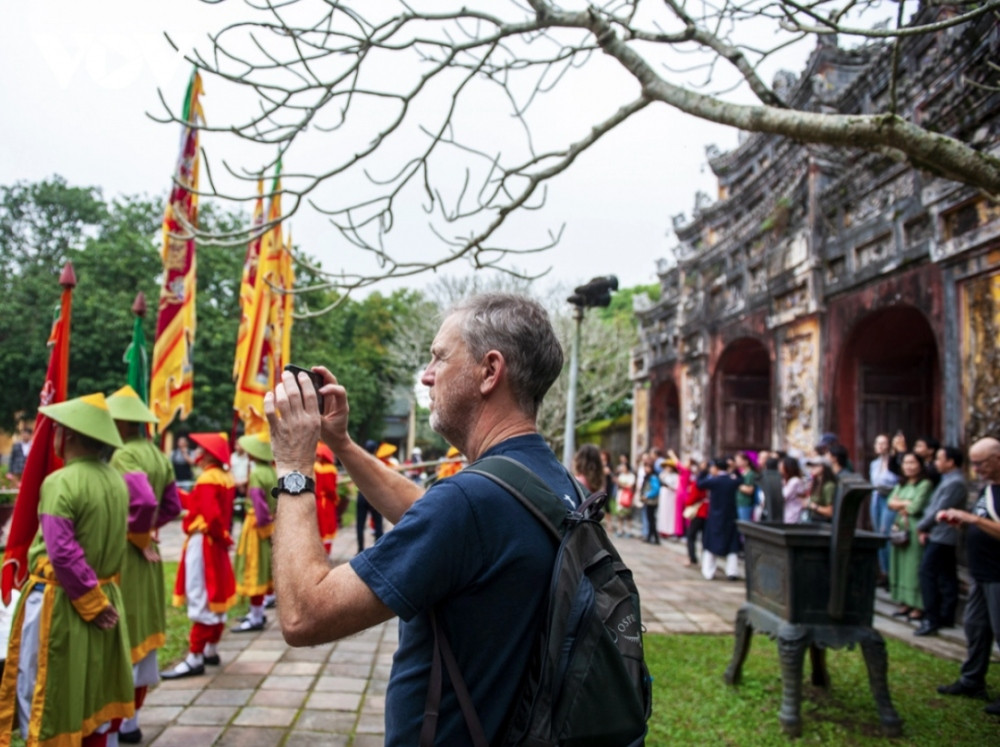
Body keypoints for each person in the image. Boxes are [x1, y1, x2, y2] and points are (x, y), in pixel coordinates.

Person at [264, 293, 581, 744]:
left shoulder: (470, 503)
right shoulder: (552, 482)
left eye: (439, 358)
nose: (427, 376)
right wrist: (344, 445)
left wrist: (293, 466)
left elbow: (304, 615)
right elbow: (430, 517)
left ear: (490, 372)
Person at [0, 393, 134, 746]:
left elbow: (60, 551)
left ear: (70, 436)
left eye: (58, 429)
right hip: (103, 595)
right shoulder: (114, 479)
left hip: (62, 603)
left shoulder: (61, 481)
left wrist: (89, 601)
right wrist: (97, 599)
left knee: (46, 695)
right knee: (90, 696)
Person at [106, 385, 183, 744]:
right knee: (142, 638)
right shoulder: (156, 454)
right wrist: (150, 530)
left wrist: (136, 535)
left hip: (127, 555)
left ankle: (119, 727)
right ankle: (132, 723)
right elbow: (171, 506)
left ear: (121, 423)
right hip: (146, 552)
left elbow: (143, 499)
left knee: (123, 638)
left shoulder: (122, 455)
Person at [162, 433, 237, 679]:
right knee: (216, 595)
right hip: (216, 543)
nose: (196, 453)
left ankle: (195, 657)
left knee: (200, 593)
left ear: (207, 455)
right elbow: (200, 504)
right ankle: (211, 650)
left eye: (199, 450)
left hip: (205, 542)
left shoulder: (207, 478)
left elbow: (210, 516)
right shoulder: (224, 477)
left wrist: (220, 536)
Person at [936, 437, 1000, 716]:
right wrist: (963, 523)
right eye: (973, 463)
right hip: (980, 572)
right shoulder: (988, 489)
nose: (976, 469)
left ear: (998, 458)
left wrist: (973, 520)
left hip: (998, 574)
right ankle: (972, 680)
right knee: (975, 627)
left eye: (981, 463)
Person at [913, 446, 968, 637]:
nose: (936, 463)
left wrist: (922, 526)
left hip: (944, 535)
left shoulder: (956, 483)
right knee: (946, 574)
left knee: (927, 573)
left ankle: (932, 617)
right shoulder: (948, 481)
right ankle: (945, 615)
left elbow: (939, 509)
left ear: (950, 462)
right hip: (938, 533)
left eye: (939, 459)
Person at [232, 433, 277, 633]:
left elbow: (259, 505)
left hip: (257, 528)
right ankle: (255, 612)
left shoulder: (258, 473)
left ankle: (256, 617)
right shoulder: (272, 471)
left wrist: (263, 526)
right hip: (272, 523)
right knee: (263, 568)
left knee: (254, 569)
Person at [886, 452, 934, 622]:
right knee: (899, 562)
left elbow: (916, 507)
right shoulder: (902, 483)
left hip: (915, 527)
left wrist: (902, 504)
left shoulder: (925, 484)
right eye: (905, 463)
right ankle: (904, 601)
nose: (908, 466)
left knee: (913, 565)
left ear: (920, 465)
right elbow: (890, 502)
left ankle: (917, 604)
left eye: (912, 463)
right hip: (900, 525)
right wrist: (904, 504)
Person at [697, 459, 741, 580]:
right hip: (730, 516)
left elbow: (700, 483)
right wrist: (735, 468)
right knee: (732, 545)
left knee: (711, 543)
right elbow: (740, 479)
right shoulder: (732, 481)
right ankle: (732, 571)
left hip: (715, 516)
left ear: (716, 468)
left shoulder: (714, 481)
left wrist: (702, 470)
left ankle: (708, 571)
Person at [869, 433, 900, 586]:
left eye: (883, 443)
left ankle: (892, 572)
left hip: (890, 497)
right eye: (878, 443)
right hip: (877, 497)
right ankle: (884, 572)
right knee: (878, 534)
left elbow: (898, 481)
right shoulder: (874, 464)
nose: (880, 446)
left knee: (886, 532)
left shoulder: (895, 462)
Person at [354, 440, 385, 554]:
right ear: (375, 450)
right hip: (375, 496)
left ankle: (360, 548)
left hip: (362, 494)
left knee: (360, 524)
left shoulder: (359, 463)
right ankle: (379, 550)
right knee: (378, 523)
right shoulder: (379, 463)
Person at [315, 443, 339, 554]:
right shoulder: (331, 469)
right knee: (327, 528)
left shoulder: (314, 466)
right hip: (327, 503)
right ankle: (325, 553)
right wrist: (336, 498)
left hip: (316, 501)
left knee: (318, 528)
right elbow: (331, 489)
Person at [639, 453, 661, 544]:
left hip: (652, 501)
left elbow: (656, 489)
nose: (646, 469)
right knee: (650, 520)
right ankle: (653, 537)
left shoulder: (653, 477)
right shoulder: (648, 477)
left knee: (651, 520)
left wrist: (647, 495)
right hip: (648, 501)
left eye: (648, 467)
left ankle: (652, 537)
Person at [779, 456, 807, 524]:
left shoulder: (794, 481)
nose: (779, 468)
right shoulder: (785, 480)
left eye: (781, 466)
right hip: (786, 512)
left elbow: (783, 496)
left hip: (793, 514)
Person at [656, 457, 679, 540]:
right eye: (666, 467)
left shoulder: (675, 476)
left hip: (671, 495)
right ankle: (662, 530)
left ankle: (669, 531)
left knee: (669, 513)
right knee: (662, 512)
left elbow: (676, 486)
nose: (667, 468)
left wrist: (669, 486)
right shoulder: (662, 474)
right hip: (663, 495)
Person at [614, 458, 637, 538]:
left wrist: (621, 483)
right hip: (620, 495)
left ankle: (629, 531)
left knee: (628, 514)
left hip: (628, 496)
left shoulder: (632, 476)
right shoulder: (621, 475)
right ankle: (620, 530)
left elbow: (630, 486)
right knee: (620, 514)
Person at [734, 452, 759, 526]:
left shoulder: (751, 474)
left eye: (738, 460)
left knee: (744, 525)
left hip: (745, 503)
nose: (737, 463)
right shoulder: (742, 472)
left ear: (746, 461)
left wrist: (736, 483)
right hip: (740, 503)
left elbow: (750, 490)